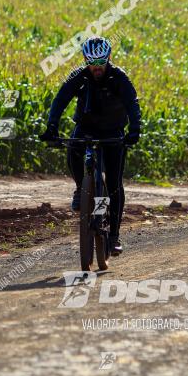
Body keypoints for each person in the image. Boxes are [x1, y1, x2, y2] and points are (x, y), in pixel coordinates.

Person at [39, 36, 142, 256]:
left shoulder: (119, 77)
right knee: (73, 150)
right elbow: (60, 99)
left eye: (101, 63)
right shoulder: (79, 76)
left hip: (113, 132)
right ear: (86, 60)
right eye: (92, 64)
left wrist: (135, 130)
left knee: (114, 184)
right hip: (86, 128)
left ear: (108, 59)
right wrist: (52, 126)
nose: (97, 68)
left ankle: (113, 236)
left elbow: (132, 103)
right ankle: (81, 188)